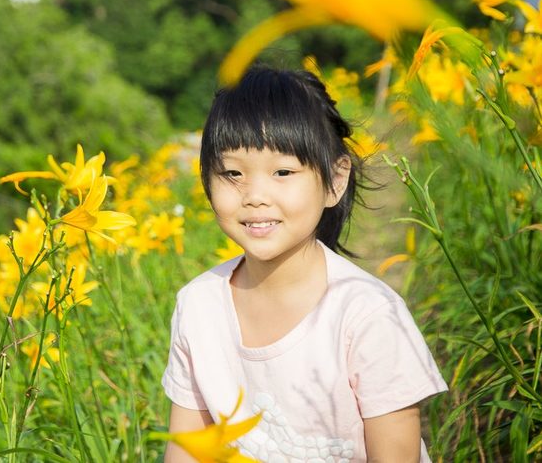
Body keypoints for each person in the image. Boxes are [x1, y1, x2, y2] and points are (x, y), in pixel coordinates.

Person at [162, 66, 447, 462]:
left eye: (283, 171)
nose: (255, 196)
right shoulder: (197, 305)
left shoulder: (367, 314)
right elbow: (186, 450)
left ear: (334, 180)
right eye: (232, 173)